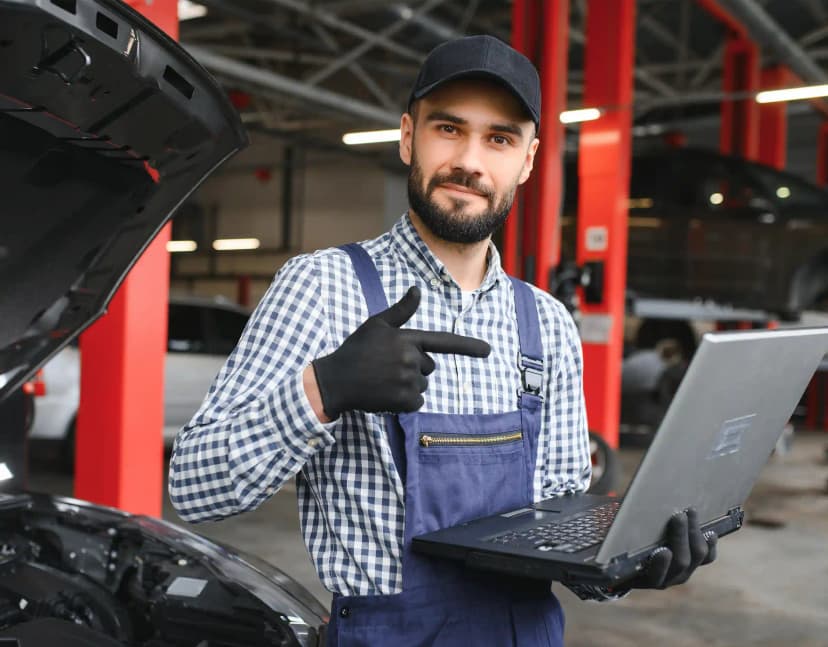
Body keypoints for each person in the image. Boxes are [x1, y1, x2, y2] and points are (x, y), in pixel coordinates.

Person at [169, 35, 716, 647]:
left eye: (499, 139)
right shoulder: (321, 287)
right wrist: (323, 389)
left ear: (529, 161)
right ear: (409, 137)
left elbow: (561, 520)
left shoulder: (549, 323)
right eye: (449, 129)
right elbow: (195, 486)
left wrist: (627, 562)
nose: (471, 162)